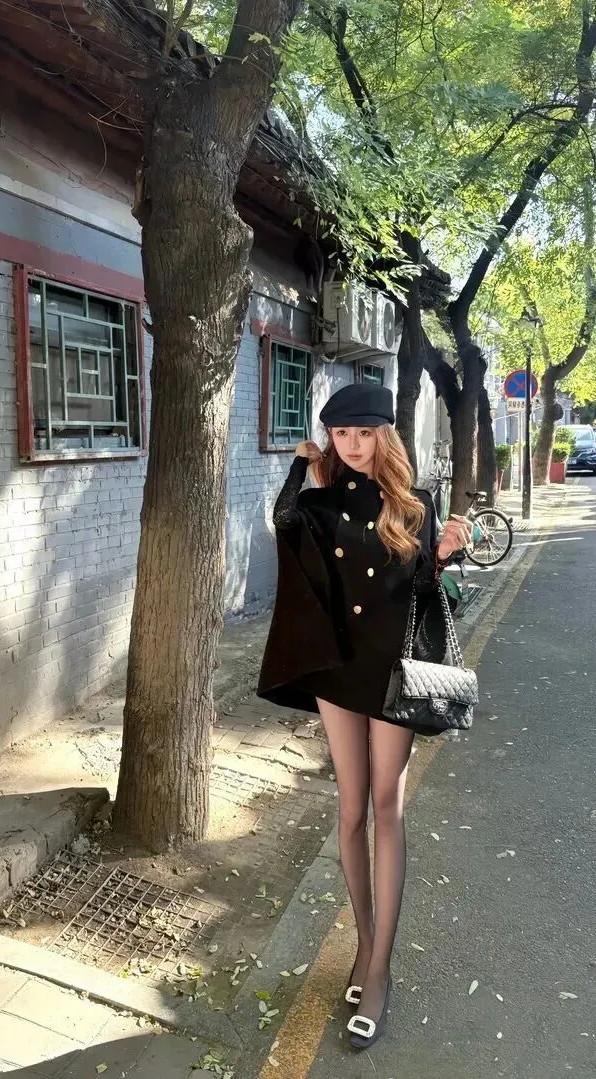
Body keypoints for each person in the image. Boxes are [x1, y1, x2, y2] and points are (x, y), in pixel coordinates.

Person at [257, 383, 471, 1050]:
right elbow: (283, 522)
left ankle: (377, 972)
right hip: (337, 666)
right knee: (349, 809)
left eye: (364, 432)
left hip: (392, 670)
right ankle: (362, 944)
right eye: (340, 433)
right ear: (330, 437)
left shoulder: (414, 504)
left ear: (384, 435)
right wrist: (300, 467)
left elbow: (429, 595)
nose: (352, 444)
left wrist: (443, 557)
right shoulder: (318, 505)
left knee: (386, 805)